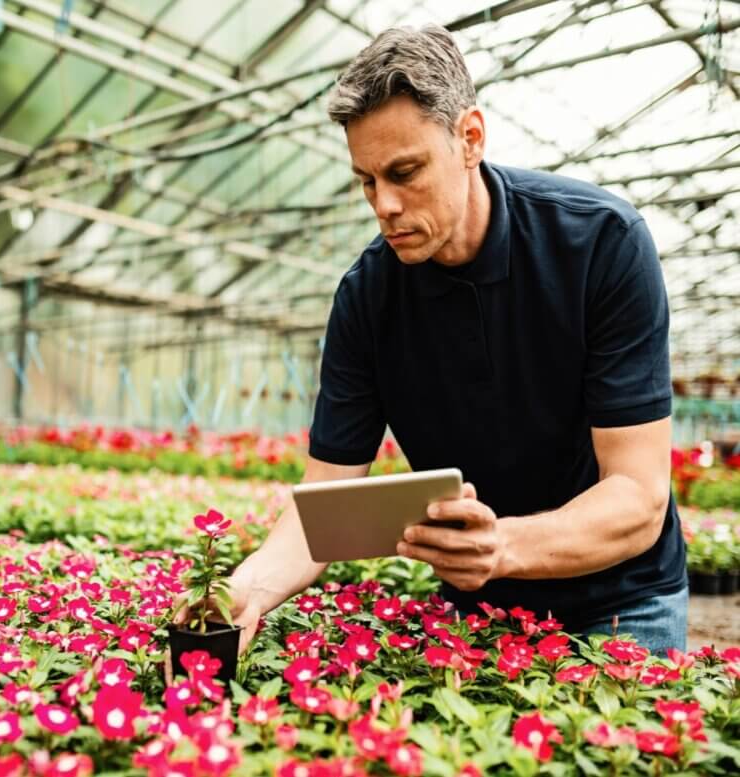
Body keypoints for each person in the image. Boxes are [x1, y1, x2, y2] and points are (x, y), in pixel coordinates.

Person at [198, 25, 686, 655]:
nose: (385, 206)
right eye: (368, 181)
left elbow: (639, 498)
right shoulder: (367, 299)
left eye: (405, 171)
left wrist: (502, 546)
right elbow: (323, 506)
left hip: (621, 601)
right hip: (475, 607)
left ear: (469, 138)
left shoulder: (601, 244)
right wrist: (244, 591)